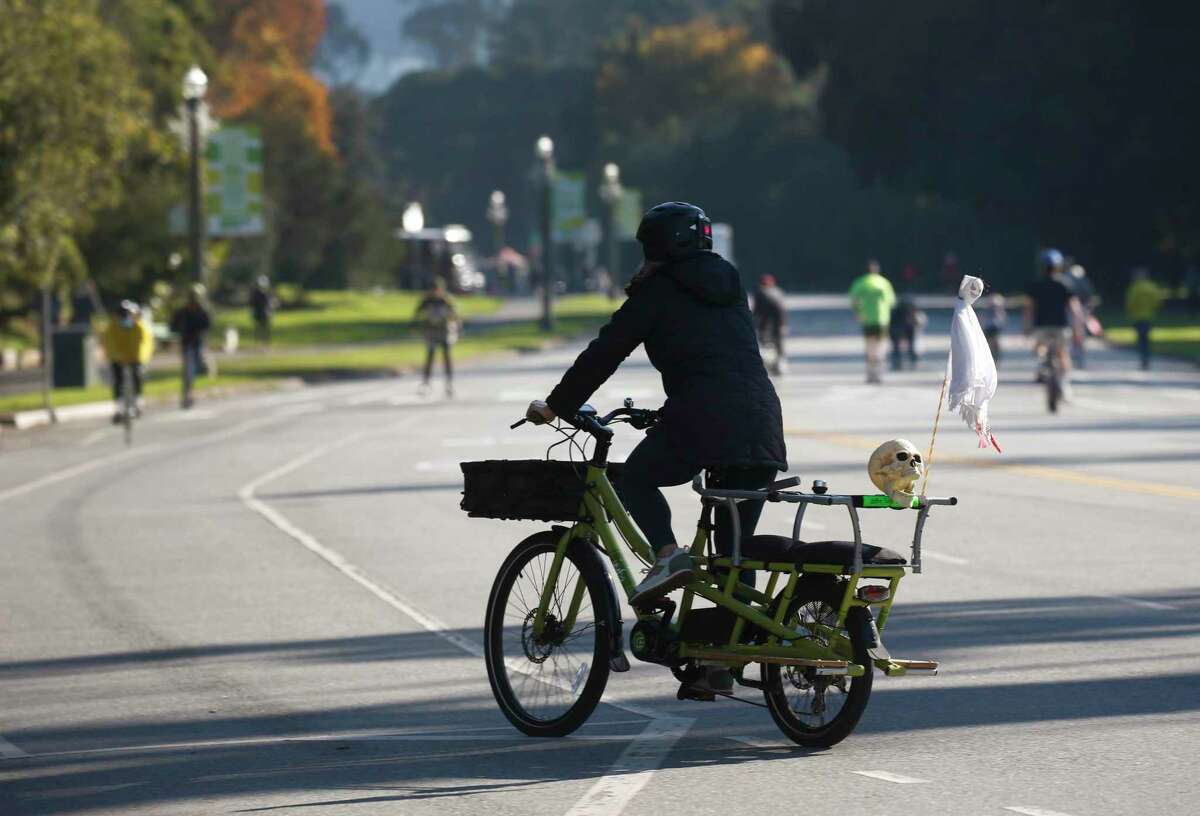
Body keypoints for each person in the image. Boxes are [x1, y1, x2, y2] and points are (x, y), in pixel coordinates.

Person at [525, 202, 787, 693]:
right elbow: (717, 361)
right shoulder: (729, 285)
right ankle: (717, 665)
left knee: (635, 478)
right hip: (761, 422)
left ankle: (668, 555)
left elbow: (606, 350)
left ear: (656, 248)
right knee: (732, 557)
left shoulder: (659, 291)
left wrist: (558, 406)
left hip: (706, 418)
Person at [1024, 248, 1084, 399]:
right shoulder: (1066, 284)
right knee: (1063, 353)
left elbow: (1029, 309)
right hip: (1061, 327)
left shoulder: (1035, 285)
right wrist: (1078, 329)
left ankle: (1041, 366)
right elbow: (1075, 309)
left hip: (1041, 327)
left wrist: (1026, 327)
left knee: (1039, 347)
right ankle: (1065, 384)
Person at [102, 300, 154, 423]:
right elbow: (109, 344)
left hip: (135, 356)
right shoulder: (112, 328)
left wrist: (139, 357)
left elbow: (145, 344)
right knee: (117, 380)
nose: (125, 318)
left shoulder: (140, 327)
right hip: (118, 357)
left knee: (137, 375)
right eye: (122, 315)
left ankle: (138, 402)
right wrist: (116, 356)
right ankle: (118, 408)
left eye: (128, 315)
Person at [848, 260, 896, 383]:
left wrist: (858, 312)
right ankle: (879, 372)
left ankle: (870, 372)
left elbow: (853, 301)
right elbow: (891, 302)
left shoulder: (860, 283)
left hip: (867, 319)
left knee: (870, 345)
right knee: (881, 345)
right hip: (882, 319)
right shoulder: (884, 283)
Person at [414, 278, 460, 397]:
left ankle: (449, 383)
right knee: (430, 357)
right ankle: (426, 383)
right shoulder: (427, 300)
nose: (436, 291)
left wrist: (457, 326)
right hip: (431, 332)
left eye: (438, 289)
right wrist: (414, 325)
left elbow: (454, 315)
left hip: (444, 332)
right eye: (434, 289)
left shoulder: (446, 300)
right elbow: (417, 313)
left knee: (446, 357)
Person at [170, 284, 212, 409]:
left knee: (197, 366)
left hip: (197, 342)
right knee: (188, 370)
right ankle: (187, 394)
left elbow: (207, 326)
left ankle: (203, 367)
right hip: (186, 343)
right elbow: (173, 325)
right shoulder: (182, 312)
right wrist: (179, 330)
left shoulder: (203, 311)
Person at [1125, 268, 1167, 371]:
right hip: (1149, 316)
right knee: (1147, 339)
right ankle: (1147, 359)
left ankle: (1143, 360)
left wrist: (1130, 312)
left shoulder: (1135, 288)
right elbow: (1158, 302)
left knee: (1141, 340)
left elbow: (1130, 302)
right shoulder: (1152, 287)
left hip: (1138, 317)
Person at [753, 274, 788, 375]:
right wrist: (783, 324)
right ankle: (778, 365)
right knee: (778, 345)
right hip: (777, 324)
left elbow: (756, 311)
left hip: (764, 325)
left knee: (766, 345)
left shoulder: (759, 293)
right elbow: (782, 310)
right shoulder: (778, 292)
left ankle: (772, 366)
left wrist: (753, 323)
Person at [1067, 264, 1098, 369]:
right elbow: (1091, 300)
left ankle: (1073, 358)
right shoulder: (1085, 283)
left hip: (1072, 312)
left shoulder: (1068, 283)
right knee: (1080, 335)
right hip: (1082, 312)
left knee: (1071, 335)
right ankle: (1079, 359)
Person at [888, 295, 926, 371]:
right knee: (909, 345)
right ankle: (910, 358)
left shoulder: (895, 310)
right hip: (906, 327)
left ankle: (898, 358)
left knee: (897, 346)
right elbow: (920, 321)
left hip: (900, 328)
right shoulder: (912, 310)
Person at [981, 293, 1007, 364]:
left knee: (994, 343)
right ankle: (991, 358)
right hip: (989, 327)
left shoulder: (996, 309)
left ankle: (995, 358)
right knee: (989, 344)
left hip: (995, 327)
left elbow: (1002, 318)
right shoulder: (989, 309)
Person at [250, 276, 275, 346]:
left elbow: (271, 303)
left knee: (266, 328)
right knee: (259, 328)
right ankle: (259, 342)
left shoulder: (267, 293)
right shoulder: (256, 293)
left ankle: (266, 342)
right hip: (259, 313)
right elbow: (252, 304)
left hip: (265, 313)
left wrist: (270, 310)